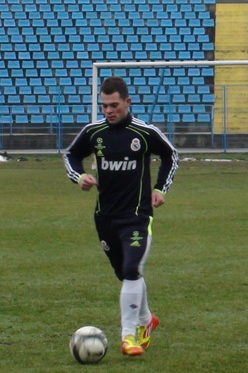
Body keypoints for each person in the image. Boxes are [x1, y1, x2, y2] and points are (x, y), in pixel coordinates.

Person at [63, 76, 179, 357]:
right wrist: (80, 177)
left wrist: (160, 188)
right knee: (125, 273)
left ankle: (128, 338)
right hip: (105, 217)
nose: (108, 111)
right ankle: (146, 319)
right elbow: (71, 155)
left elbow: (171, 155)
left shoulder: (144, 132)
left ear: (127, 102)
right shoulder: (94, 132)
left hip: (137, 216)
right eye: (103, 106)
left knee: (132, 270)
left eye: (113, 105)